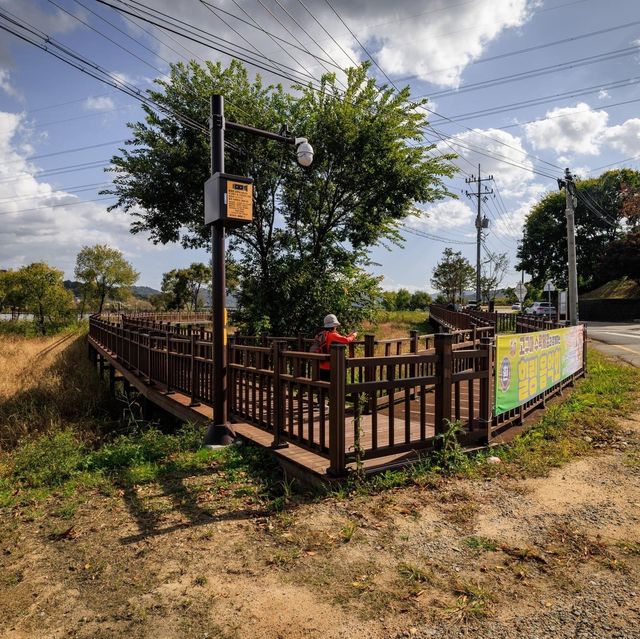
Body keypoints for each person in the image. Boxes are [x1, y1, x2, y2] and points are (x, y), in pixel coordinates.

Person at [317, 314, 357, 382]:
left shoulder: (321, 334)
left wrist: (347, 336)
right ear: (334, 325)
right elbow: (346, 340)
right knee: (334, 388)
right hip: (331, 367)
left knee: (323, 389)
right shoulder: (333, 335)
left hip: (320, 365)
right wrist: (353, 335)